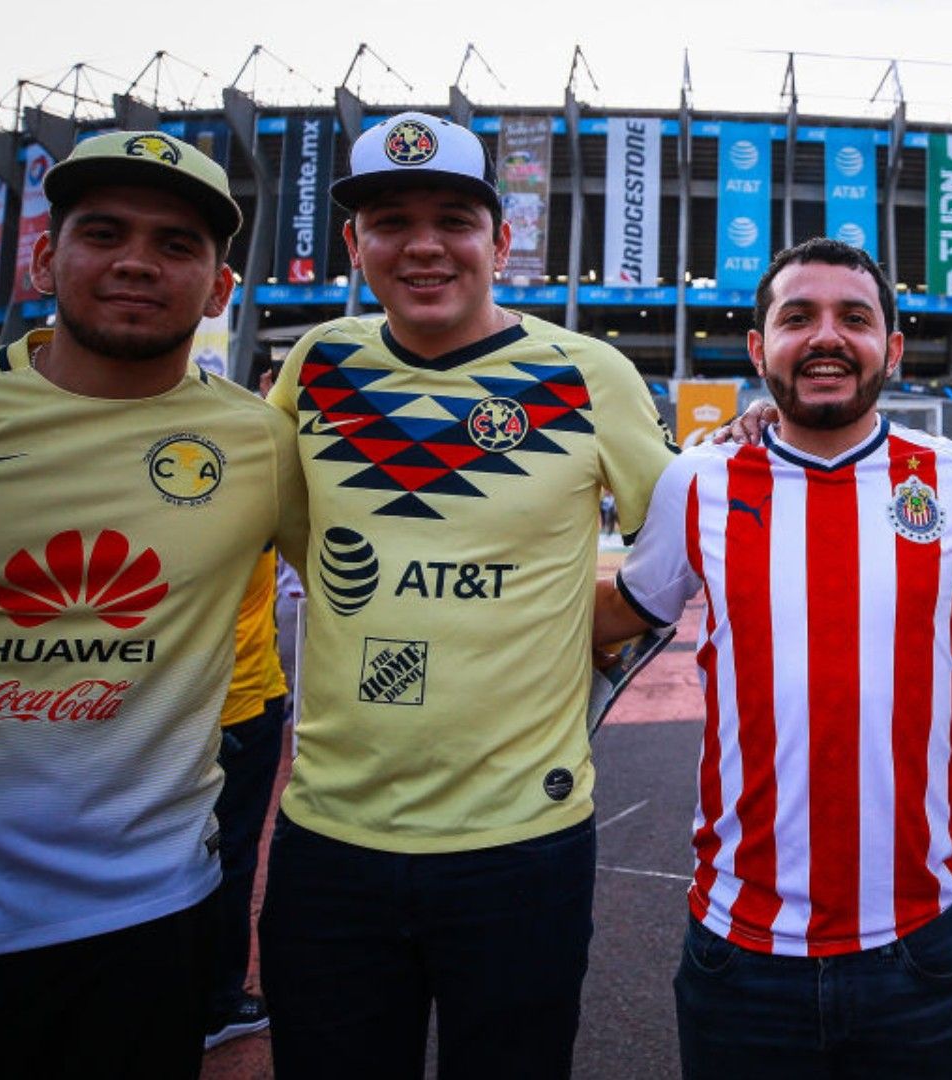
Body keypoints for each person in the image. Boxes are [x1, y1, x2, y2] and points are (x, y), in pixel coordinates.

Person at [259, 111, 675, 1078]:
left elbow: (678, 543)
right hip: (331, 838)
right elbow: (293, 534)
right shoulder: (317, 366)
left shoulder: (586, 372)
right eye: (390, 220)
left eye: (453, 216)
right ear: (355, 244)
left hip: (521, 844)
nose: (423, 244)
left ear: (501, 238)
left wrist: (599, 625)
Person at [0, 130, 305, 1076]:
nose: (135, 263)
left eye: (176, 245)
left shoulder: (260, 445)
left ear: (221, 289)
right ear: (43, 257)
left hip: (148, 921)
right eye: (104, 232)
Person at [598, 237, 952, 1078]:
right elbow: (624, 613)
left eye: (855, 318)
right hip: (741, 954)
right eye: (797, 317)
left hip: (928, 946)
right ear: (760, 347)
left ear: (892, 348)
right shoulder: (698, 482)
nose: (826, 337)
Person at [204, 544, 290, 1049]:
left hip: (183, 699)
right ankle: (217, 1002)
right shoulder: (247, 485)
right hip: (238, 700)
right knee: (230, 856)